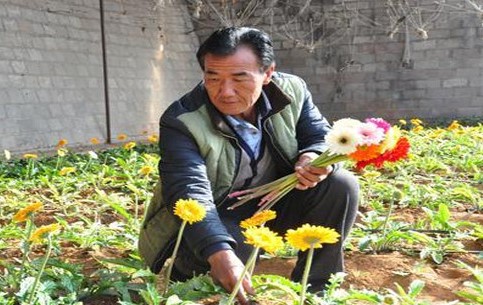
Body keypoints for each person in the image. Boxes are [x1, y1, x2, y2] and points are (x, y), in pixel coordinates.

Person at [138, 27, 359, 305]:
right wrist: (218, 251)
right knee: (229, 261)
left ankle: (316, 289)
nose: (225, 91)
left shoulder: (292, 91)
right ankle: (195, 272)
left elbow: (317, 134)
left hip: (271, 206)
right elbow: (188, 190)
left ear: (268, 74)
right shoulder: (182, 120)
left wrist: (312, 155)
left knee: (339, 185)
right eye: (213, 77)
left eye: (239, 78)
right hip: (214, 218)